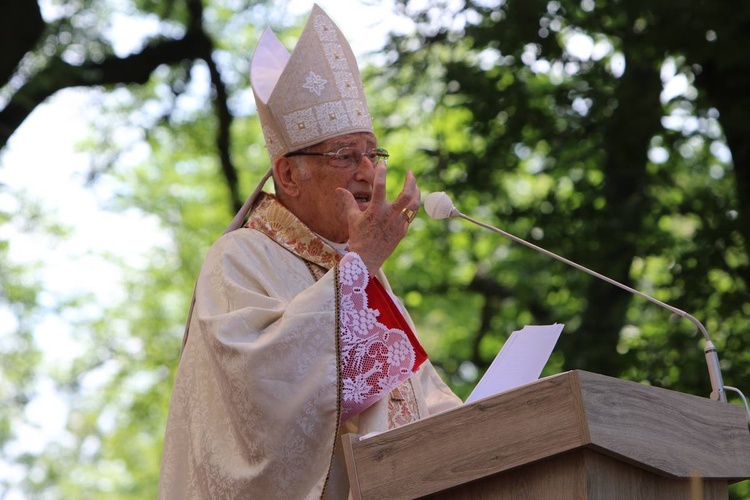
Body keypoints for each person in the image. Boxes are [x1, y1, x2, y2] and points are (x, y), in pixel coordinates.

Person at [158, 5, 462, 499]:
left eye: (373, 153)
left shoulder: (363, 273)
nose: (368, 172)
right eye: (346, 155)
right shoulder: (239, 259)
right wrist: (359, 267)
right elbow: (261, 397)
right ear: (288, 174)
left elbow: (418, 400)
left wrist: (505, 418)